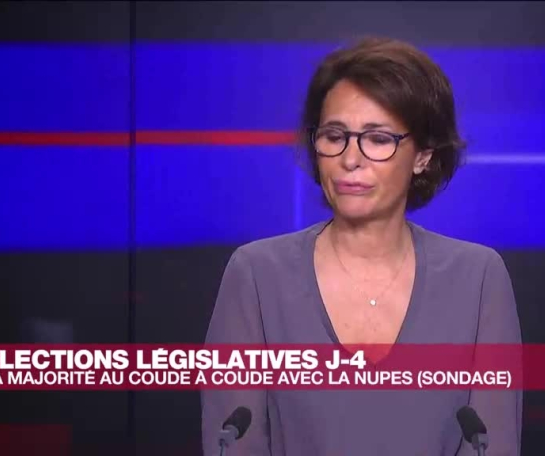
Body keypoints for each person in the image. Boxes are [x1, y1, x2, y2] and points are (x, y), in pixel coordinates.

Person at [202, 36, 522, 456]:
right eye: (334, 135)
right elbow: (234, 443)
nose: (350, 159)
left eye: (377, 139)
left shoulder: (478, 280)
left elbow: (493, 444)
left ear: (423, 155)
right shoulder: (257, 276)